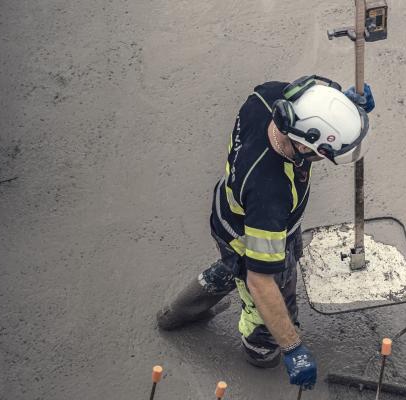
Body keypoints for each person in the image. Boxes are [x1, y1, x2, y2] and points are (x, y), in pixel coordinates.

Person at [155, 75, 375, 390]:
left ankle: (179, 312)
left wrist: (346, 110)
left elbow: (316, 101)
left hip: (230, 213)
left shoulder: (270, 99)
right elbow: (261, 281)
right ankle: (259, 347)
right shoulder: (270, 193)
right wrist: (292, 346)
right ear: (302, 145)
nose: (323, 161)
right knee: (264, 302)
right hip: (248, 234)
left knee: (239, 266)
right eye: (322, 153)